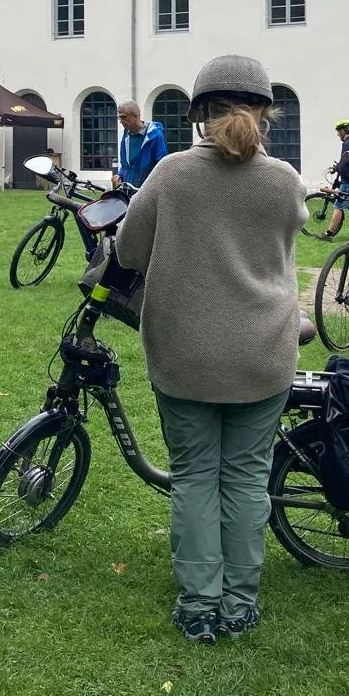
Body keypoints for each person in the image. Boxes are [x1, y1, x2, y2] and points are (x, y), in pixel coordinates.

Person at [116, 55, 305, 644]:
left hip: (185, 351)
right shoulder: (285, 181)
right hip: (263, 351)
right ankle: (240, 604)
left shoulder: (171, 174)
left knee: (196, 476)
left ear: (198, 114)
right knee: (248, 479)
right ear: (266, 112)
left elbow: (127, 252)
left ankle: (200, 605)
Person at [314, 118, 349, 240]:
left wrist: (337, 169)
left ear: (344, 131)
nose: (338, 134)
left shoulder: (348, 144)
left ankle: (329, 234)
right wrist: (337, 167)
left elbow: (345, 161)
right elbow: (345, 160)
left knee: (339, 205)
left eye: (338, 131)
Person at [114, 101, 168, 189]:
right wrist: (119, 175)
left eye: (123, 117)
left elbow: (162, 166)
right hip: (128, 192)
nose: (121, 121)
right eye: (119, 118)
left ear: (135, 116)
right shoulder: (126, 135)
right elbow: (125, 165)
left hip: (147, 193)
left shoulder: (155, 135)